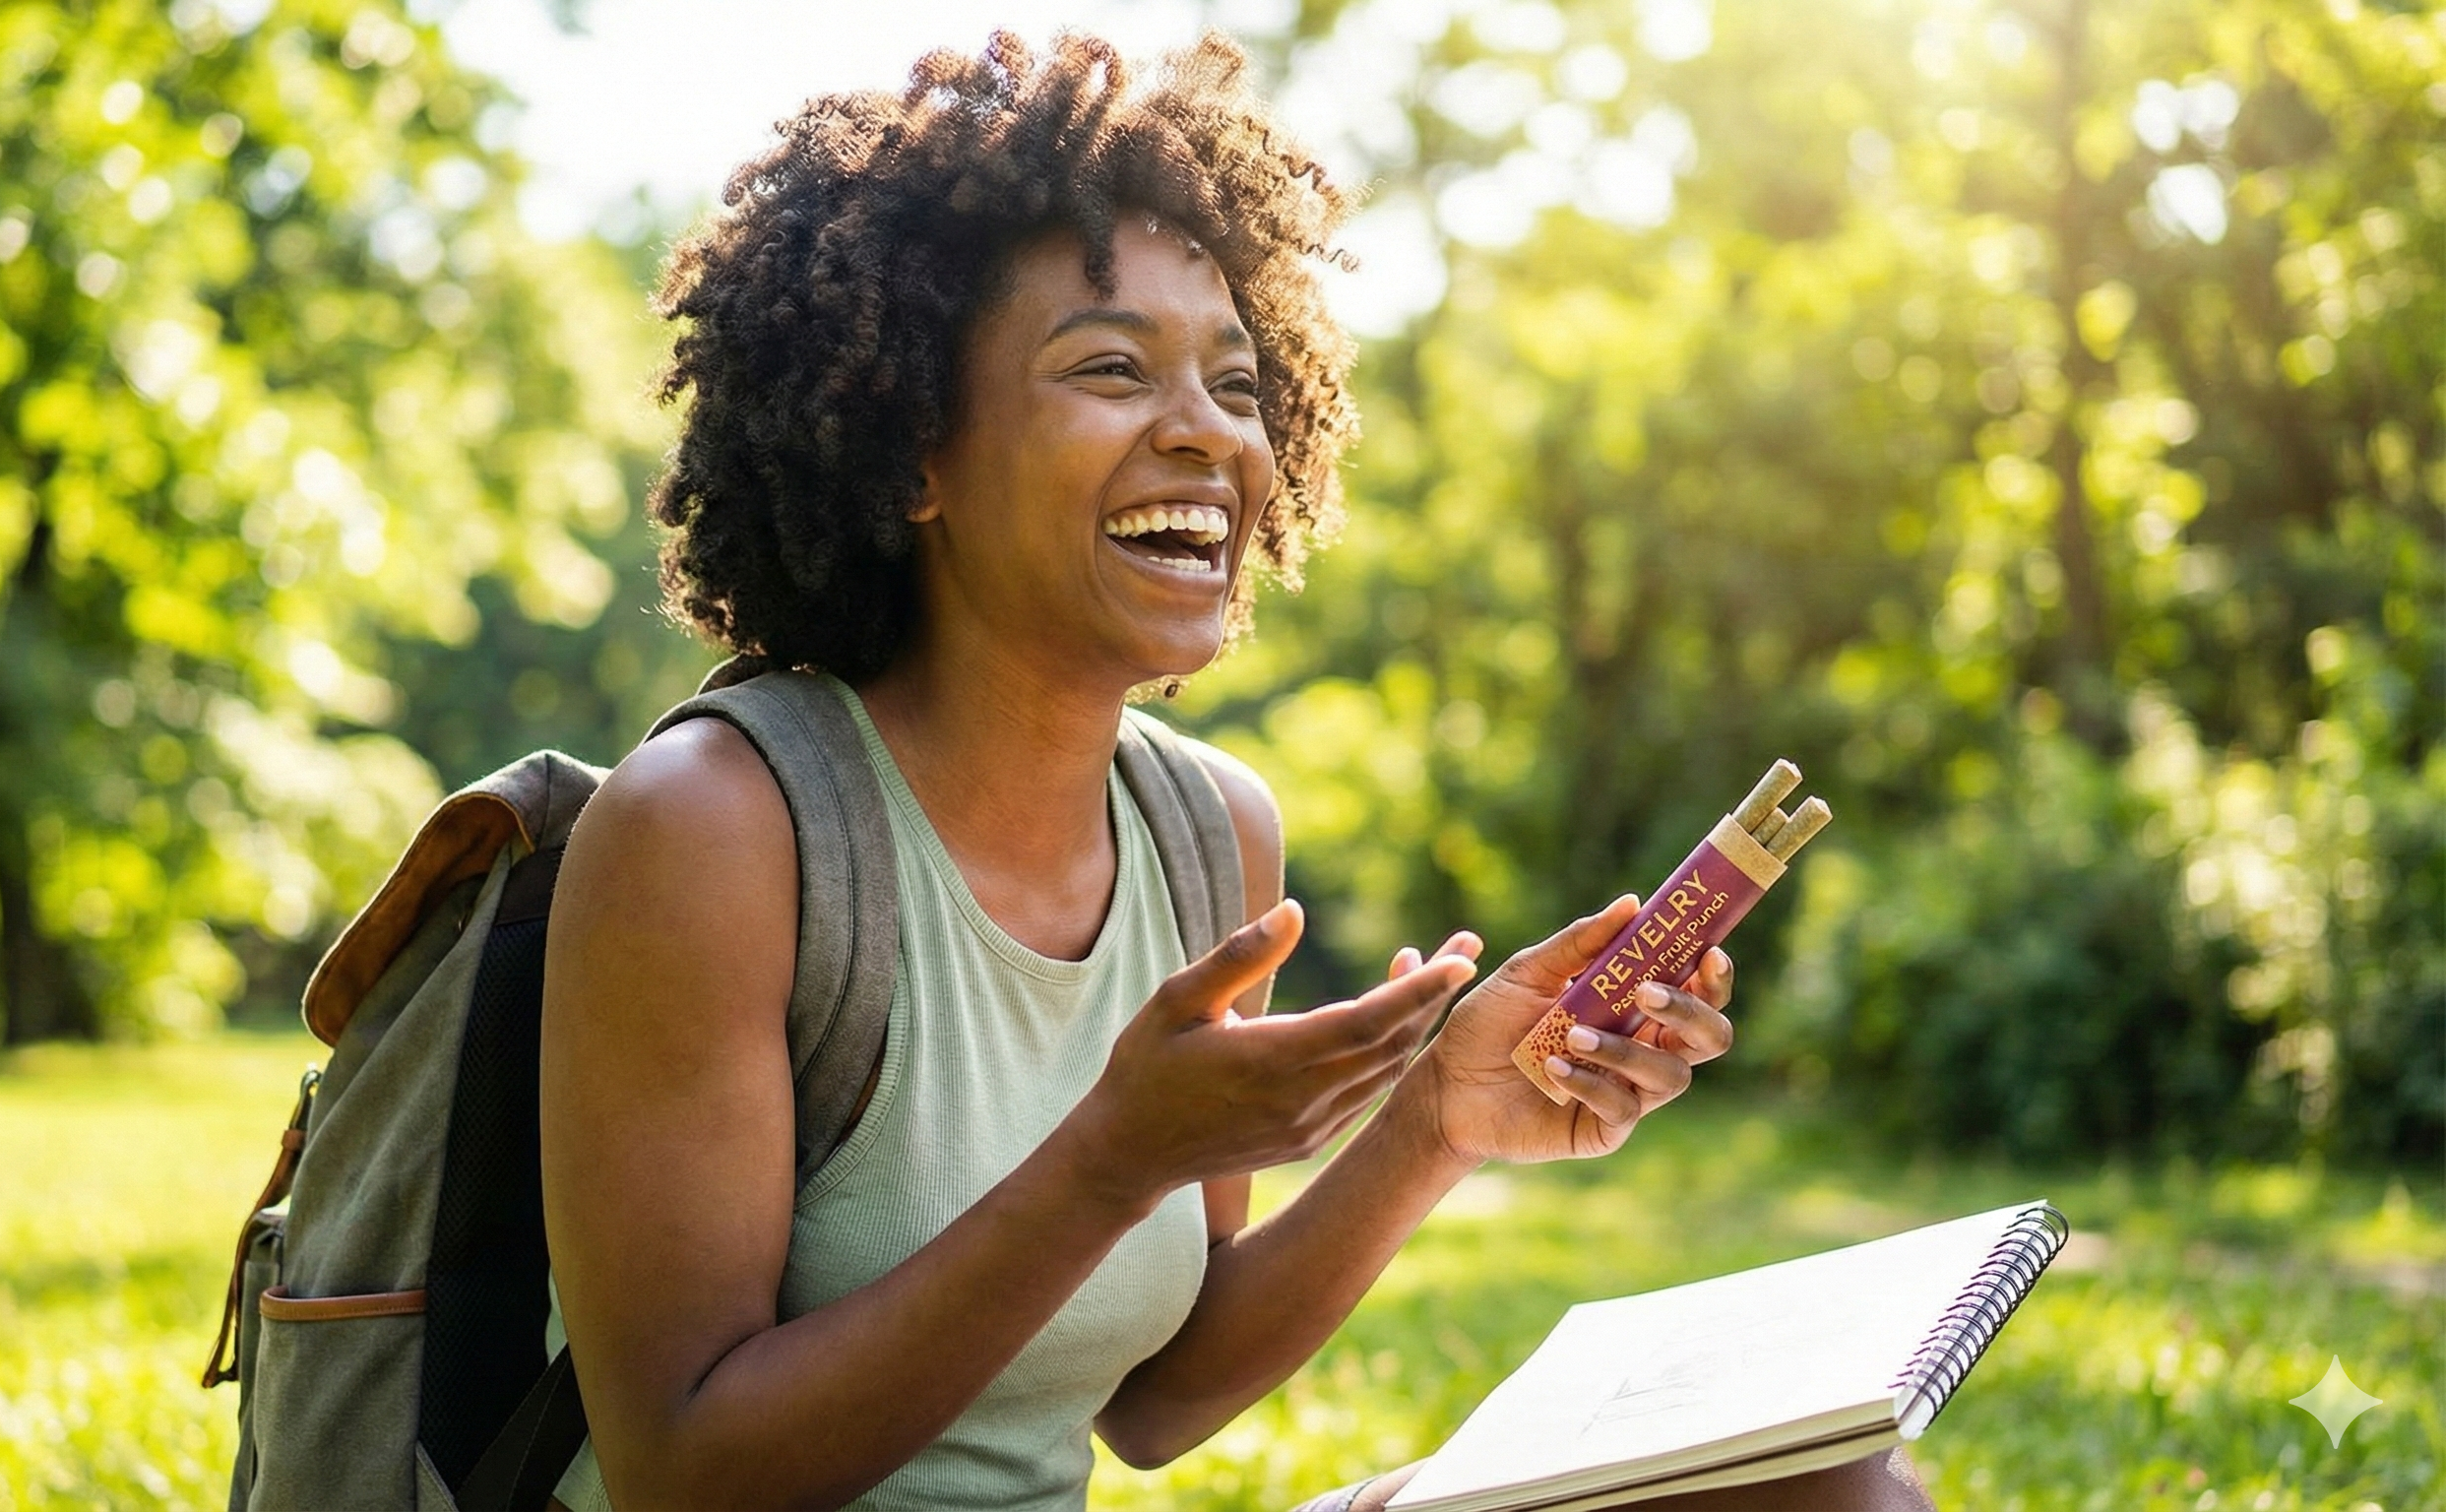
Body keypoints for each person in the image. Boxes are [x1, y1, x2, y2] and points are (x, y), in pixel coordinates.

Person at [540, 31, 1935, 1512]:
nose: (1205, 433)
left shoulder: (1209, 833)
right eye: (1111, 369)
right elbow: (680, 1473)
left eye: (1236, 382)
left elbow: (1156, 1402)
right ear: (910, 455)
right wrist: (1105, 1161)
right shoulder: (716, 828)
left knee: (1840, 1492)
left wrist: (1439, 1119)